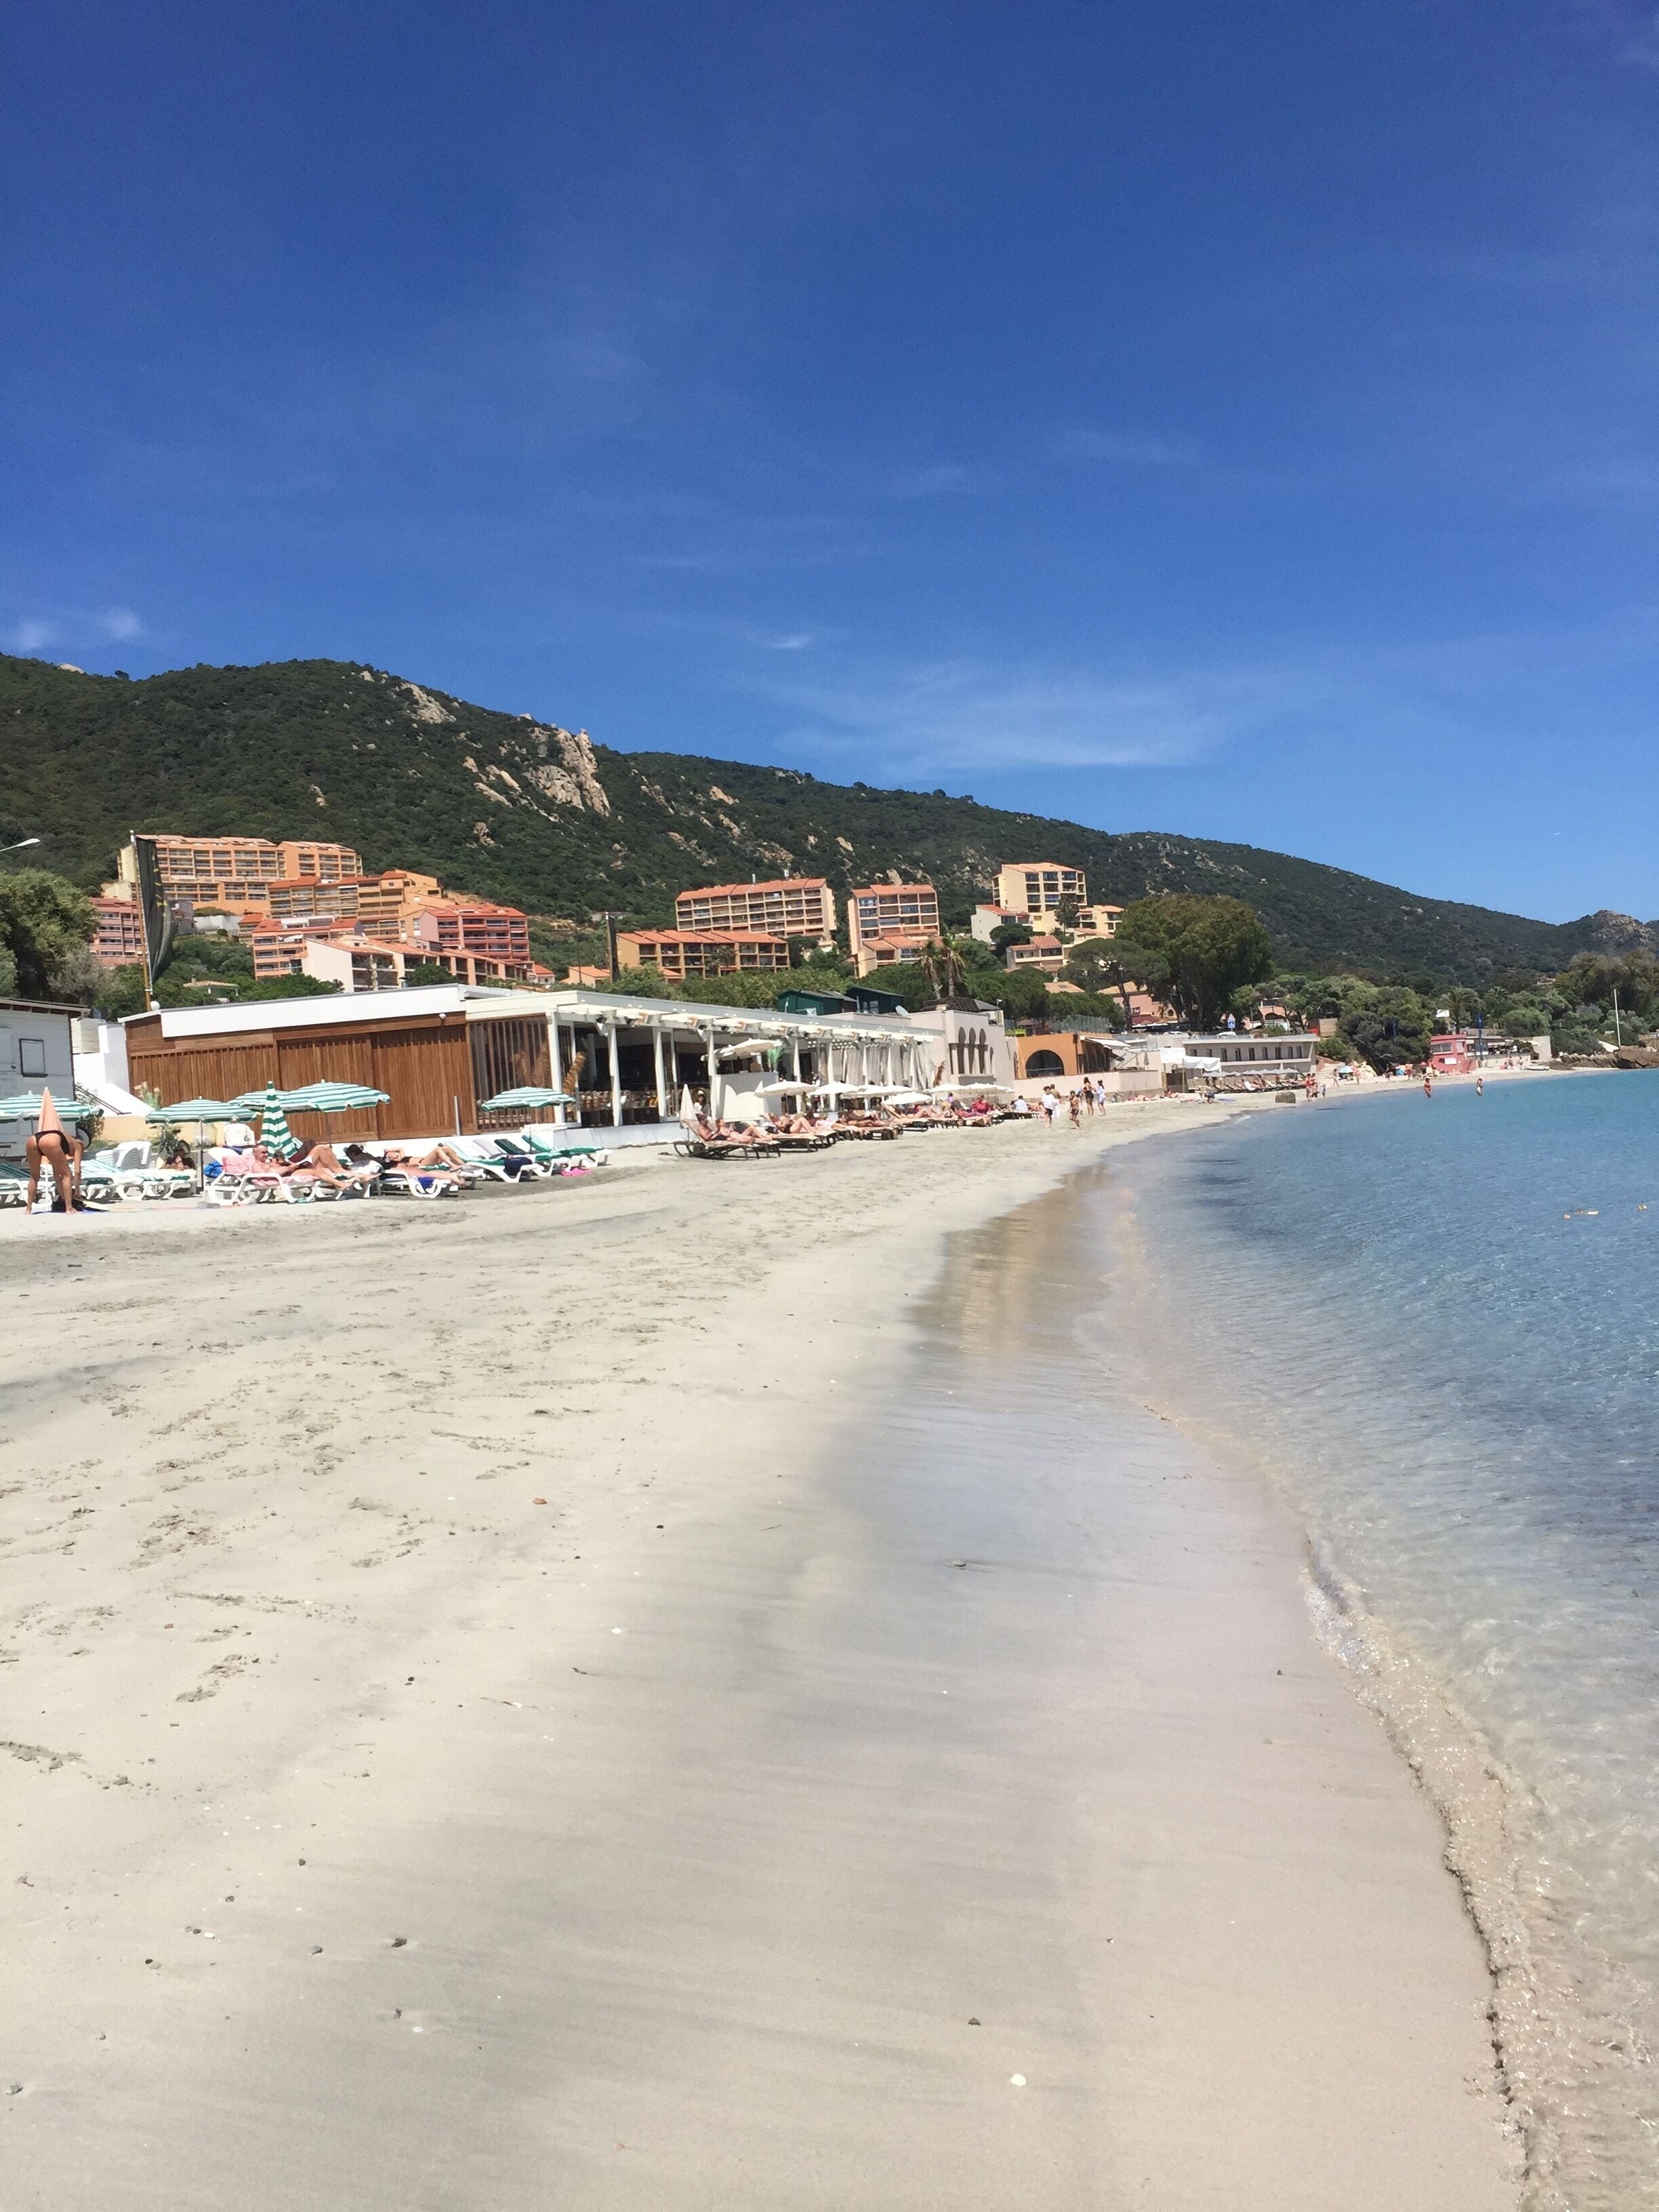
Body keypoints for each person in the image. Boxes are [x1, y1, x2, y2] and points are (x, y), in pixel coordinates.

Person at [25, 1088, 85, 1213]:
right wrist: (77, 1193)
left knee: (34, 1177)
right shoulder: (78, 1146)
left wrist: (63, 1196)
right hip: (51, 1140)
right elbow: (77, 1172)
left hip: (34, 1139)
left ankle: (28, 1209)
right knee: (68, 1174)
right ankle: (69, 1209)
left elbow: (56, 1176)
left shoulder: (65, 1143)